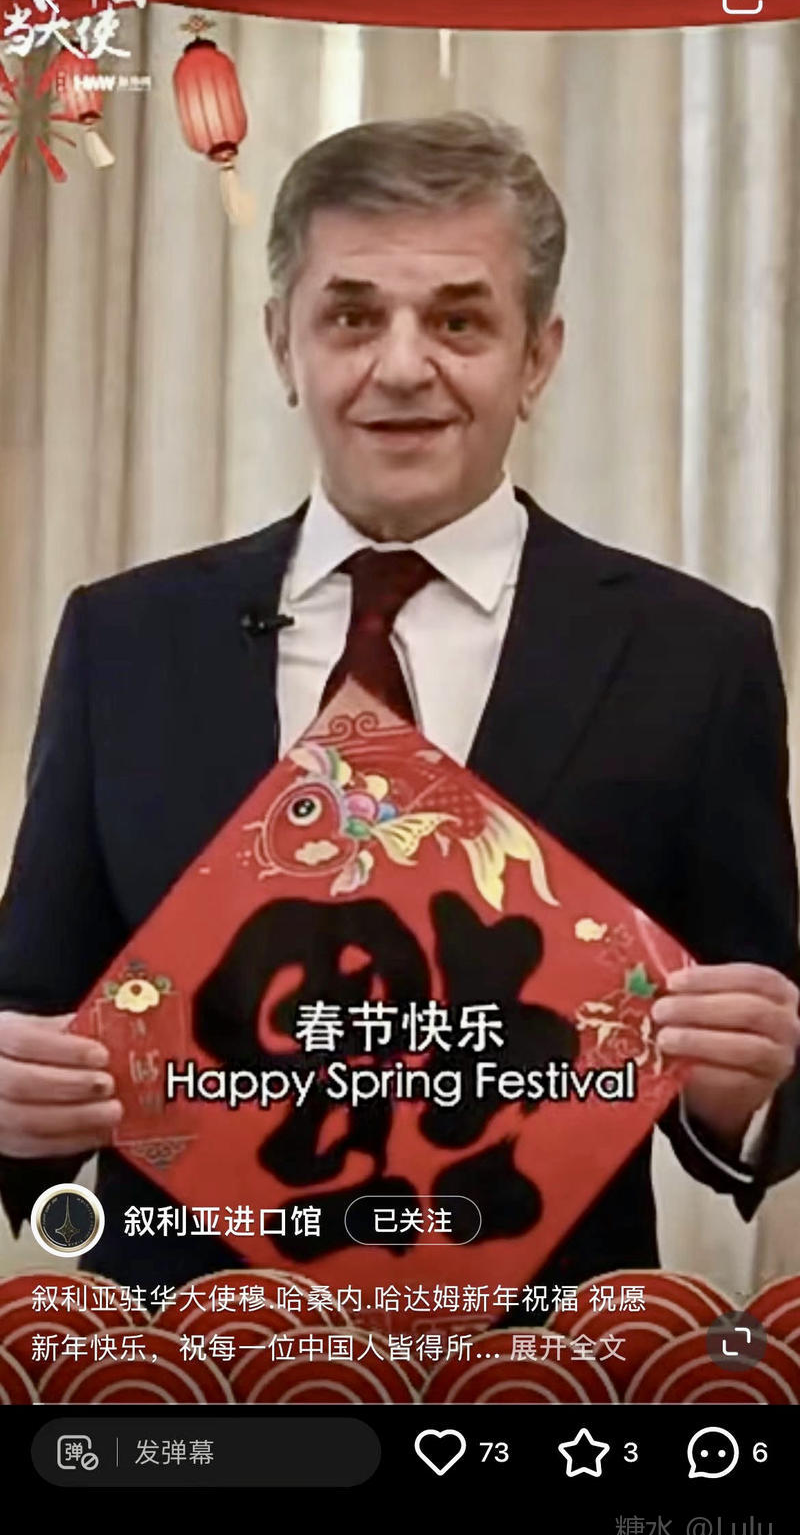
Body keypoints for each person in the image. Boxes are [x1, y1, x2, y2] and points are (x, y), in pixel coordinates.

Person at [0, 111, 798, 1302]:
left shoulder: (694, 655)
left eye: (459, 321)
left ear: (536, 358)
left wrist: (741, 1097)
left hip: (537, 1361)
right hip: (181, 1353)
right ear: (282, 345)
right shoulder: (124, 638)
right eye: (352, 317)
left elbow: (755, 1040)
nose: (403, 366)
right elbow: (35, 1004)